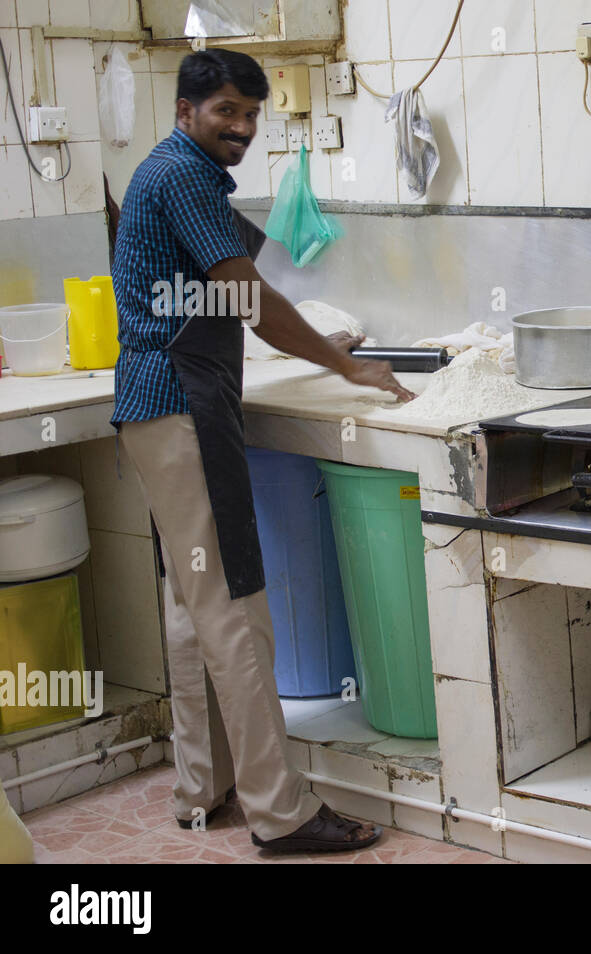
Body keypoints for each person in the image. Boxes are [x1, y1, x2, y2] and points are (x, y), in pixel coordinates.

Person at [110, 48, 415, 852]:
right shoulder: (180, 175)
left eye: (251, 114)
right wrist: (346, 364)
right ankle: (283, 816)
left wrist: (320, 343)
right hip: (181, 407)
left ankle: (201, 787)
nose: (241, 128)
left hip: (156, 408)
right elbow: (251, 299)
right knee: (237, 609)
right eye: (226, 114)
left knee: (191, 601)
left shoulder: (176, 172)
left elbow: (228, 293)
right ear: (185, 112)